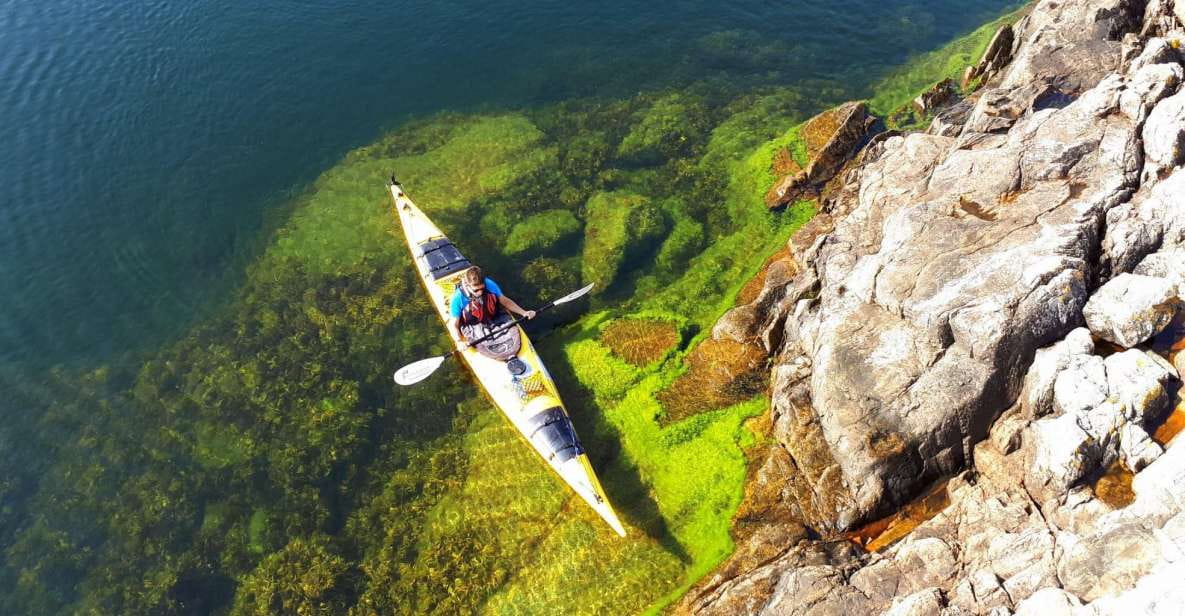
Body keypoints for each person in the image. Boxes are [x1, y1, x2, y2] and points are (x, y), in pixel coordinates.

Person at [447, 266, 535, 352]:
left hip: (493, 317)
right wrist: (459, 341)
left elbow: (505, 301)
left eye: (482, 288)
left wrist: (524, 312)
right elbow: (454, 325)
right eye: (476, 290)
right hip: (473, 324)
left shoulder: (489, 284)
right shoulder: (458, 297)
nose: (480, 292)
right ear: (467, 285)